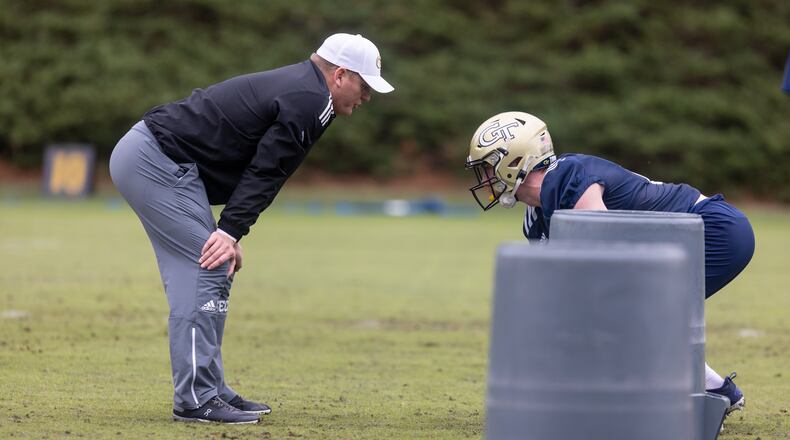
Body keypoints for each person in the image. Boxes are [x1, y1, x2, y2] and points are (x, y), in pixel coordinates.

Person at [110, 33, 394, 424]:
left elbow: (265, 169)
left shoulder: (308, 91)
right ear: (341, 75)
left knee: (216, 268)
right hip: (154, 161)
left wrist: (231, 231)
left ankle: (210, 387)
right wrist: (228, 232)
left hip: (160, 160)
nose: (366, 98)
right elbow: (267, 170)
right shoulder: (309, 99)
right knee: (205, 266)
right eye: (364, 86)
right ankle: (195, 399)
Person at [465, 111, 754, 415]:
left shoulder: (566, 176)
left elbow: (605, 253)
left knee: (621, 314)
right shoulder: (535, 216)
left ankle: (691, 397)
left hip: (714, 230)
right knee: (621, 314)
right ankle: (709, 391)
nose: (484, 178)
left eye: (487, 167)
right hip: (683, 239)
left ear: (513, 161)